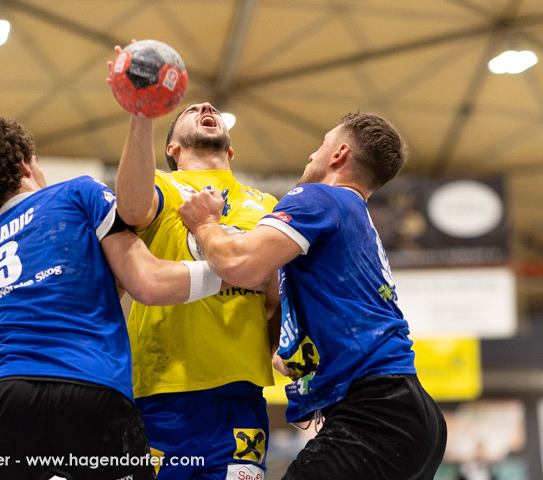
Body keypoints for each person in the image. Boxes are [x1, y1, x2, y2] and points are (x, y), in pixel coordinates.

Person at [0, 114, 225, 480]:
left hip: (11, 396)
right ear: (25, 165)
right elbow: (148, 283)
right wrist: (228, 272)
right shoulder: (76, 194)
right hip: (92, 386)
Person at [179, 112, 447, 480]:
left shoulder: (319, 197)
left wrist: (205, 224)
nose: (310, 155)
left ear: (338, 154)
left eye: (320, 145)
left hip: (376, 411)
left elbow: (238, 264)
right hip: (408, 413)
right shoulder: (353, 215)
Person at [111, 85, 279, 476]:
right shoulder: (161, 185)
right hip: (162, 392)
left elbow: (275, 297)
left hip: (241, 395)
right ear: (172, 148)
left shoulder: (266, 205)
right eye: (190, 111)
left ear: (231, 151)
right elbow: (131, 209)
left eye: (211, 108)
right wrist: (142, 114)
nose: (206, 105)